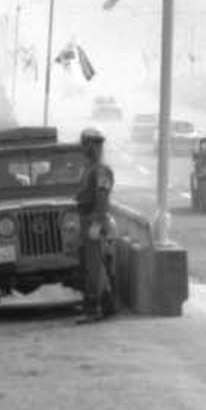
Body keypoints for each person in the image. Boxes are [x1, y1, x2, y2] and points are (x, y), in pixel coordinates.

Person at [74, 126, 116, 324]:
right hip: (86, 219)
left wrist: (97, 223)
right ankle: (108, 307)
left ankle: (94, 309)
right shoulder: (89, 168)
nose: (86, 148)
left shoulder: (101, 170)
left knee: (95, 269)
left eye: (89, 144)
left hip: (93, 219)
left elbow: (102, 198)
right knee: (95, 267)